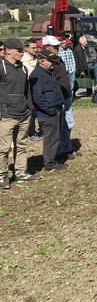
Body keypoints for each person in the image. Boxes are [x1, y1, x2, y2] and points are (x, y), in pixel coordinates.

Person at [0, 38, 41, 189]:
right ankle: (2, 175)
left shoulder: (22, 68)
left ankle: (21, 173)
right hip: (6, 114)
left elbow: (27, 90)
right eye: (18, 51)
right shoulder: (1, 67)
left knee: (21, 145)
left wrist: (29, 107)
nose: (21, 53)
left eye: (21, 51)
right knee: (3, 148)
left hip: (24, 113)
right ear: (8, 51)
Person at [29, 48, 67, 171]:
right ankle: (49, 164)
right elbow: (37, 97)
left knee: (55, 137)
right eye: (51, 61)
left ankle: (52, 158)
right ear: (42, 61)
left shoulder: (48, 73)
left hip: (55, 110)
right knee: (50, 139)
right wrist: (50, 110)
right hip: (47, 113)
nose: (53, 64)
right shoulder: (37, 75)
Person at [41, 35, 74, 160]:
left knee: (68, 123)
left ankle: (67, 147)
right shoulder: (46, 62)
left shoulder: (59, 59)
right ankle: (59, 150)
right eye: (54, 47)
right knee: (58, 125)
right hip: (57, 98)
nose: (56, 49)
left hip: (66, 95)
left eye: (57, 46)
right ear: (46, 47)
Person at [21, 39, 41, 141]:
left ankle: (41, 130)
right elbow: (31, 73)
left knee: (39, 108)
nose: (35, 49)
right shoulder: (24, 60)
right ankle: (31, 132)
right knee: (32, 110)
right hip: (30, 87)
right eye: (33, 48)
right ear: (26, 48)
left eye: (36, 47)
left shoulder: (36, 57)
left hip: (37, 87)